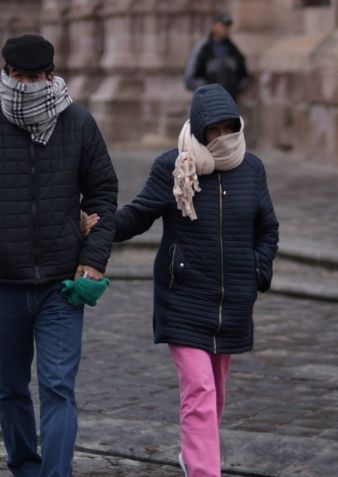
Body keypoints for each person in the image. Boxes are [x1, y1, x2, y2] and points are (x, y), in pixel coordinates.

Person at [0, 34, 118, 477]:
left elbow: (103, 193)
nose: (27, 86)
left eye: (35, 78)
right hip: (2, 282)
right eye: (18, 77)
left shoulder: (79, 123)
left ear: (50, 76)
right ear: (6, 75)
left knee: (58, 387)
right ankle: (25, 466)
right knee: (10, 387)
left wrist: (94, 257)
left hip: (62, 284)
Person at [85, 84, 278, 477]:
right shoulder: (173, 166)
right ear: (200, 128)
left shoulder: (252, 168)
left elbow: (268, 229)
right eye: (215, 129)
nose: (223, 137)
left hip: (233, 302)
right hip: (184, 298)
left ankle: (193, 454)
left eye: (229, 127)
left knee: (216, 392)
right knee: (200, 391)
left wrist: (258, 270)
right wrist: (99, 226)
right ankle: (205, 471)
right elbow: (138, 215)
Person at [184, 13, 251, 102]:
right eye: (223, 25)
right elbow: (190, 79)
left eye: (227, 26)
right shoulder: (203, 48)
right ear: (214, 26)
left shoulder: (233, 50)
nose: (226, 29)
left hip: (229, 103)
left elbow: (244, 76)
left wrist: (235, 89)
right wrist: (208, 91)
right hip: (208, 104)